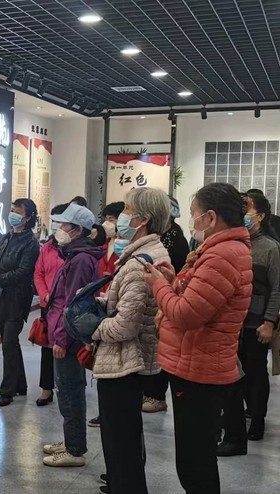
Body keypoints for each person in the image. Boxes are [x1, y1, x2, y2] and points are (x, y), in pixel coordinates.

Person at [144, 182, 253, 494]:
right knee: (195, 456)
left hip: (200, 371)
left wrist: (157, 285)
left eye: (194, 214)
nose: (191, 220)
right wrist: (172, 280)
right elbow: (200, 299)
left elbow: (186, 314)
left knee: (195, 462)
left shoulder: (223, 256)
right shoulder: (220, 251)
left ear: (211, 217)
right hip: (197, 364)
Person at [91, 187, 171, 494]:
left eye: (127, 210)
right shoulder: (140, 254)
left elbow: (126, 325)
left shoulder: (141, 263)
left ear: (143, 219)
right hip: (126, 359)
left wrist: (94, 328)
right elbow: (128, 304)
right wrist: (101, 303)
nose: (121, 217)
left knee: (121, 440)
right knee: (122, 438)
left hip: (126, 361)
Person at [218, 192, 280, 455]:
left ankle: (257, 418)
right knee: (233, 371)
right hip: (232, 320)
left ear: (261, 216)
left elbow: (276, 290)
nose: (243, 214)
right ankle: (235, 416)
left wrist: (268, 322)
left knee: (255, 373)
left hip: (256, 321)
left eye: (248, 210)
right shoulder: (235, 243)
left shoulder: (270, 248)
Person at [42, 203, 104, 467]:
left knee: (69, 391)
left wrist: (62, 339)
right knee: (67, 388)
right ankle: (70, 441)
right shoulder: (76, 255)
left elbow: (73, 304)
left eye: (63, 224)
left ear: (78, 230)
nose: (58, 228)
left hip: (68, 336)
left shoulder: (80, 260)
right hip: (65, 332)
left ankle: (74, 449)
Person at [0, 199, 40, 407]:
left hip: (17, 299)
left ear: (28, 217)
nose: (13, 214)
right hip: (0, 297)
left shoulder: (30, 243)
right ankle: (20, 385)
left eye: (18, 211)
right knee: (11, 343)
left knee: (8, 342)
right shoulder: (8, 237)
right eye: (12, 210)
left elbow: (23, 272)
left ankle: (7, 390)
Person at [141, 195, 190, 414]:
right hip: (157, 294)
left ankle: (156, 395)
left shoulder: (175, 239)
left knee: (160, 346)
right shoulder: (158, 235)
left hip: (166, 296)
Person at [88, 201, 126, 429]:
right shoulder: (104, 244)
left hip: (118, 309)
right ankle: (105, 412)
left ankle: (112, 415)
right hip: (102, 302)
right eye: (106, 219)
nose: (107, 224)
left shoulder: (127, 247)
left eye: (112, 219)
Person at [33, 203, 69, 407]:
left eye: (60, 221)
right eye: (53, 221)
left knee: (66, 347)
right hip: (47, 305)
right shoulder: (47, 247)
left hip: (66, 306)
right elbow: (38, 273)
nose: (56, 225)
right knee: (46, 348)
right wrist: (44, 295)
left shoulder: (74, 250)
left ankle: (68, 388)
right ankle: (46, 388)